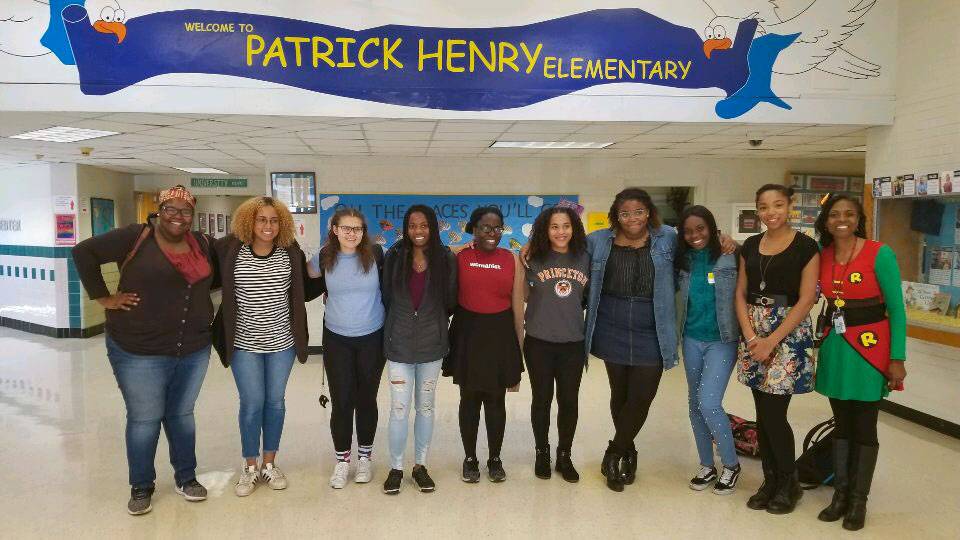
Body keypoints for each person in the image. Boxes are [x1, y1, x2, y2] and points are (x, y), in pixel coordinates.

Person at [72, 185, 215, 515]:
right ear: (159, 211)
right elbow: (83, 253)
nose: (178, 217)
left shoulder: (202, 243)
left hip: (192, 346)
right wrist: (104, 298)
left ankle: (186, 477)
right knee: (145, 418)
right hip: (139, 347)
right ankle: (141, 485)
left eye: (185, 211)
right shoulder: (135, 237)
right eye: (171, 210)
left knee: (181, 415)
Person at [212, 196, 324, 497]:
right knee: (252, 403)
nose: (268, 226)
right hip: (244, 343)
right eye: (262, 219)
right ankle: (249, 466)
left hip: (282, 343)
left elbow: (306, 289)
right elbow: (203, 281)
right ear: (250, 221)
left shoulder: (290, 252)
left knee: (275, 402)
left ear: (282, 224)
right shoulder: (230, 250)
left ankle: (269, 464)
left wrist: (331, 270)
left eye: (274, 220)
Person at [813, 195, 907, 531]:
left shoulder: (879, 253)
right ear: (826, 220)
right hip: (837, 346)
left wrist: (898, 357)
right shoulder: (822, 256)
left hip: (872, 349)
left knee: (865, 424)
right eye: (835, 214)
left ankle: (858, 501)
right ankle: (840, 495)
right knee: (842, 422)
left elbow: (896, 309)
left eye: (850, 214)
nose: (842, 220)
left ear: (859, 218)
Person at [585, 188, 679, 492]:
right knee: (620, 393)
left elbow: (703, 246)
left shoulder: (668, 237)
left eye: (638, 211)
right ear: (616, 215)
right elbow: (564, 251)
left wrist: (727, 241)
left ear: (649, 212)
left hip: (652, 322)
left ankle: (615, 451)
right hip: (610, 319)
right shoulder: (598, 240)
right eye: (625, 213)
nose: (632, 218)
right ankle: (628, 451)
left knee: (642, 395)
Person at [735, 184, 819, 515]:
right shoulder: (751, 245)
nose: (771, 212)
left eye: (778, 205)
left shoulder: (806, 246)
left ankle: (788, 482)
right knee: (762, 413)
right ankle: (770, 480)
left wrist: (772, 340)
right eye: (764, 207)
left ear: (790, 207)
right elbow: (741, 293)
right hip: (754, 329)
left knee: (774, 414)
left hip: (788, 331)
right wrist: (751, 335)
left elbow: (807, 298)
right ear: (757, 211)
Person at [444, 206, 525, 484]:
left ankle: (494, 458)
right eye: (485, 228)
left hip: (500, 333)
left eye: (497, 228)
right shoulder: (461, 256)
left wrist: (519, 349)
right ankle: (469, 458)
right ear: (474, 230)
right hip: (468, 332)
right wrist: (460, 245)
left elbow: (517, 308)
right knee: (469, 399)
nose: (492, 233)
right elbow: (438, 252)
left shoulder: (511, 258)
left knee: (495, 400)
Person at [380, 205, 458, 494]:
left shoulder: (445, 257)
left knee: (425, 406)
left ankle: (420, 466)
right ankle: (397, 467)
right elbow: (387, 296)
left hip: (431, 345)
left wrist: (430, 321)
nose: (418, 231)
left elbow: (450, 300)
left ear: (432, 227)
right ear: (406, 227)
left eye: (424, 225)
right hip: (398, 345)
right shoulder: (395, 255)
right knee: (399, 409)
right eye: (413, 226)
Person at [316, 207, 386, 489]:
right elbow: (301, 275)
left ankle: (365, 457)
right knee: (342, 401)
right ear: (334, 229)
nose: (352, 233)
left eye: (357, 228)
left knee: (366, 399)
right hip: (337, 339)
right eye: (346, 228)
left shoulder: (376, 255)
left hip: (372, 337)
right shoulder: (323, 256)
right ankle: (343, 460)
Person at [675, 205, 742, 495]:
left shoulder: (731, 254)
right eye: (688, 231)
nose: (694, 236)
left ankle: (731, 464)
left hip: (722, 340)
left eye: (700, 229)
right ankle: (706, 465)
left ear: (712, 228)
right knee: (694, 405)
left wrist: (732, 241)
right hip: (691, 338)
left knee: (709, 403)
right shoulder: (682, 259)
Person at [523, 206, 590, 483]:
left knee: (569, 401)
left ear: (573, 228)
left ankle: (565, 455)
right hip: (538, 341)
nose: (560, 232)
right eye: (554, 227)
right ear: (545, 230)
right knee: (541, 400)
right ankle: (542, 452)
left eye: (566, 226)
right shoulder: (532, 257)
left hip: (573, 342)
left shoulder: (585, 257)